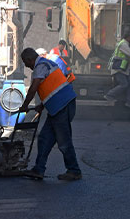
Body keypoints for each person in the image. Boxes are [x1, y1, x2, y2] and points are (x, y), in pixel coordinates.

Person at [16, 48, 82, 181]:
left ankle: (74, 170)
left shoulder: (40, 67)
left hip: (61, 106)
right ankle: (38, 169)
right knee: (44, 138)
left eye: (25, 62)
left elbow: (33, 89)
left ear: (29, 59)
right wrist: (42, 105)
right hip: (59, 106)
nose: (26, 66)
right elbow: (52, 88)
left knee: (64, 141)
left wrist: (24, 106)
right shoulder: (47, 64)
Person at [106, 30, 130, 110]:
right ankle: (109, 95)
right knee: (124, 84)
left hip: (123, 69)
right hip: (118, 69)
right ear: (128, 37)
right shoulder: (123, 44)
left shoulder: (124, 43)